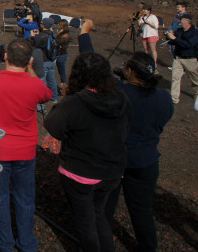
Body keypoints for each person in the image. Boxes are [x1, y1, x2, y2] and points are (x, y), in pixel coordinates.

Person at [44, 52, 133, 252]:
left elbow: (53, 126)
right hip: (111, 171)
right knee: (99, 213)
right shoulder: (120, 97)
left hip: (80, 173)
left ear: (78, 74)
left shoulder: (74, 103)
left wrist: (65, 99)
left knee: (85, 222)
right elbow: (128, 125)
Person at [0, 38, 52, 252]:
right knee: (25, 197)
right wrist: (32, 69)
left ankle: (5, 242)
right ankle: (26, 242)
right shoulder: (35, 85)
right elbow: (46, 95)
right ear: (29, 60)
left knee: (0, 196)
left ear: (5, 57)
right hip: (25, 152)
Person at [105, 52, 174, 252]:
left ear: (131, 71)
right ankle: (148, 247)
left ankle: (101, 243)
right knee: (142, 210)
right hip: (146, 160)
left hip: (116, 159)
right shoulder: (163, 97)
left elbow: (96, 69)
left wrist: (84, 35)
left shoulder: (119, 91)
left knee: (105, 208)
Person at [166, 13, 198, 104]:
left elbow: (188, 45)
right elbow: (173, 41)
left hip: (190, 59)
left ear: (187, 21)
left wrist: (174, 38)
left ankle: (196, 92)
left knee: (194, 78)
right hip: (178, 58)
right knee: (175, 78)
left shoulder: (195, 33)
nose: (179, 21)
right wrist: (169, 35)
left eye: (181, 19)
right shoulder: (179, 31)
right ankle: (174, 99)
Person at [34, 17, 59, 103]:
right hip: (52, 61)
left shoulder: (41, 36)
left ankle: (41, 102)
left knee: (41, 81)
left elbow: (35, 46)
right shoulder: (53, 34)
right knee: (51, 79)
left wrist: (33, 37)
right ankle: (54, 98)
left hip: (43, 61)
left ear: (43, 25)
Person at [55, 19, 71, 88]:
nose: (58, 26)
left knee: (62, 72)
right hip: (60, 53)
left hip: (62, 54)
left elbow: (60, 43)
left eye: (59, 25)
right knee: (61, 71)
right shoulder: (62, 32)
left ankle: (64, 86)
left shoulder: (65, 35)